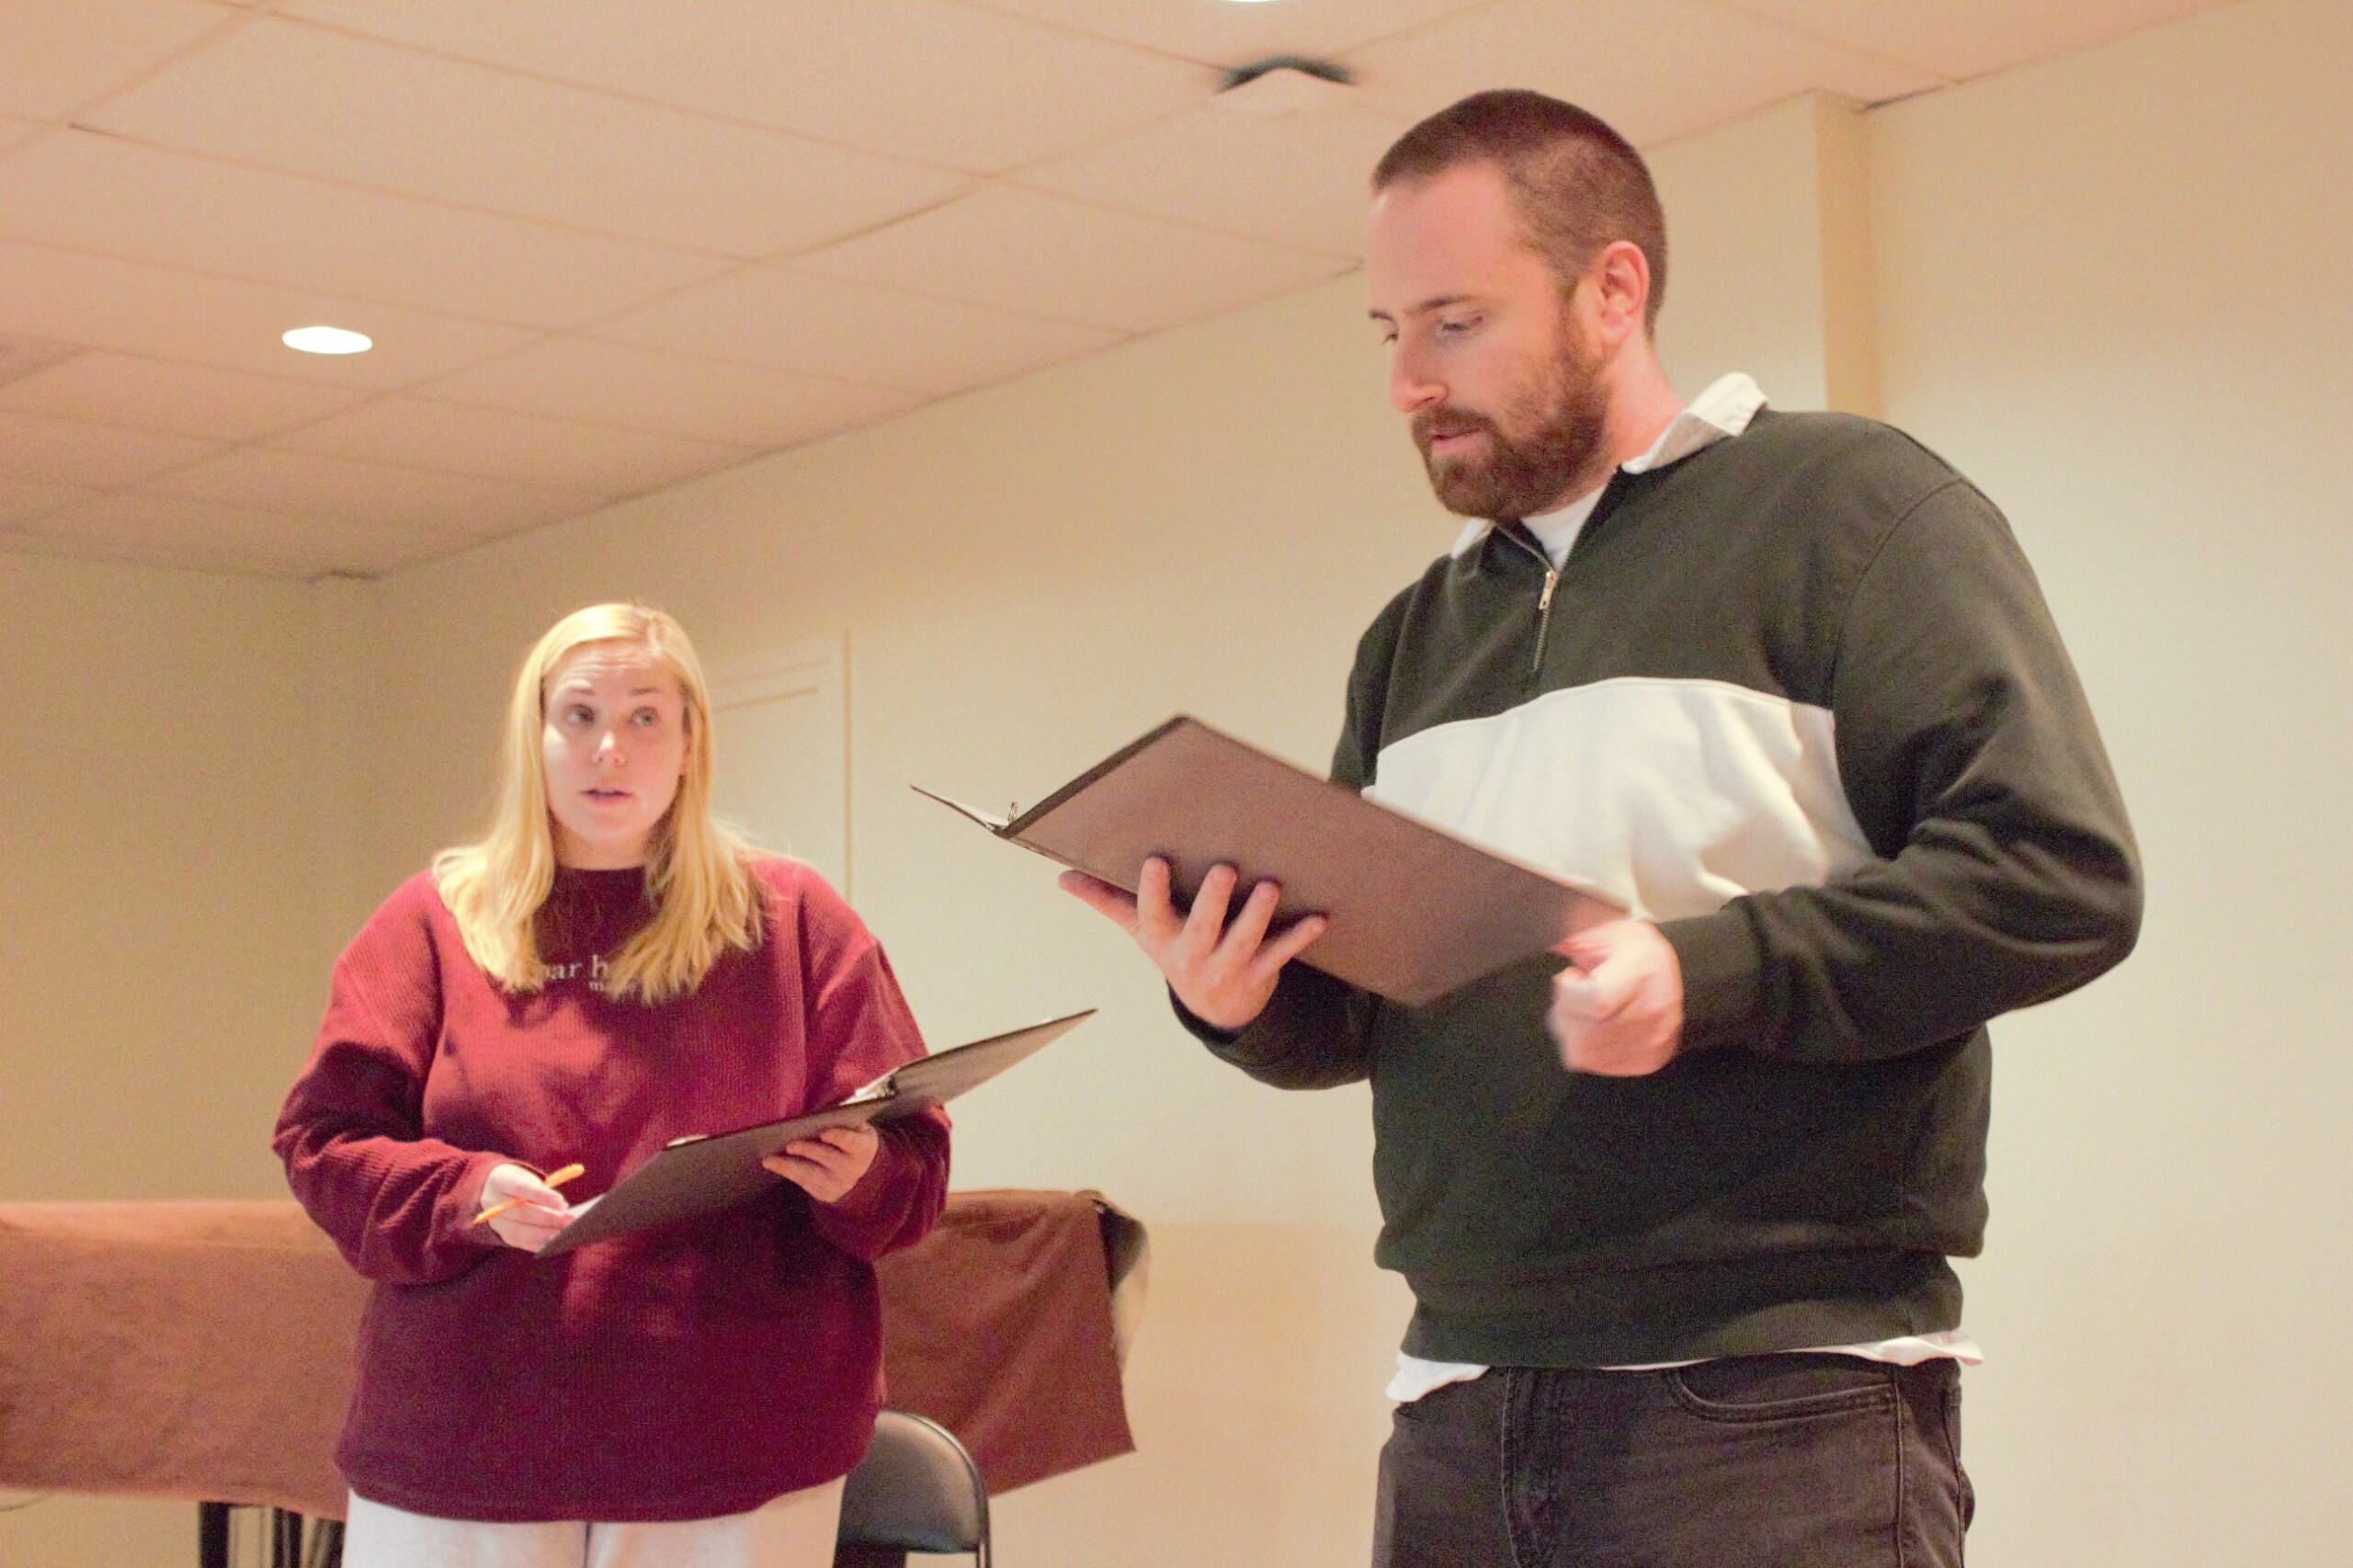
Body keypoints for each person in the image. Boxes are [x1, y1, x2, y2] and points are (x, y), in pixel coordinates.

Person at [1063, 90, 2141, 1567]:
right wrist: (1239, 997)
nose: (1409, 382)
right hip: (1455, 1406)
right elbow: (1367, 1014)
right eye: (1389, 332)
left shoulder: (1851, 511)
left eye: (1456, 322)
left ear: (1612, 290)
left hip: (1774, 1405)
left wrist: (1704, 973)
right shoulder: (1412, 638)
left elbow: (2056, 873)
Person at [275, 602, 948, 1568]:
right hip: (468, 1437)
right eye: (580, 715)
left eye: (645, 717)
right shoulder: (433, 920)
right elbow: (324, 1145)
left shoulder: (793, 917)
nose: (610, 749)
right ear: (536, 737)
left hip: (734, 1441)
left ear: (690, 744)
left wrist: (862, 1173)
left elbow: (915, 1163)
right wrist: (465, 1193)